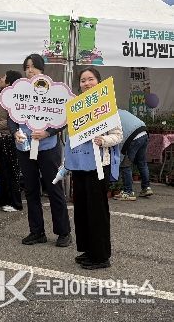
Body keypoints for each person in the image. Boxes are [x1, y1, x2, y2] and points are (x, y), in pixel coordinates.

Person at [8, 54, 72, 247]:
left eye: (33, 67)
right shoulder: (19, 91)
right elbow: (12, 116)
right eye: (26, 67)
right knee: (31, 190)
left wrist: (48, 132)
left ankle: (63, 232)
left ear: (41, 69)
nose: (29, 70)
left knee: (54, 187)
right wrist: (15, 132)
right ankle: (36, 231)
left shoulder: (53, 90)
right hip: (25, 147)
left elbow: (64, 117)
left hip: (47, 147)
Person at [64, 67, 123, 270]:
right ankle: (88, 250)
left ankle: (101, 256)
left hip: (99, 165)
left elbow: (118, 135)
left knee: (97, 210)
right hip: (79, 165)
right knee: (82, 209)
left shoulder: (107, 106)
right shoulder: (75, 107)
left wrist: (103, 140)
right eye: (83, 80)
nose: (86, 83)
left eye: (90, 79)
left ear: (98, 82)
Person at [0, 70, 23, 212]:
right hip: (1, 138)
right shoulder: (3, 95)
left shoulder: (13, 97)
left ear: (9, 82)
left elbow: (13, 120)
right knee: (3, 171)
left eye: (3, 77)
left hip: (10, 138)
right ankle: (2, 198)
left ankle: (16, 202)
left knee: (12, 171)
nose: (1, 78)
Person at [114, 109, 152, 201]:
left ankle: (128, 192)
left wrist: (120, 156)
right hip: (144, 132)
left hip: (132, 137)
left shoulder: (111, 118)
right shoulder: (121, 111)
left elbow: (118, 139)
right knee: (142, 163)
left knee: (125, 165)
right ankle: (146, 188)